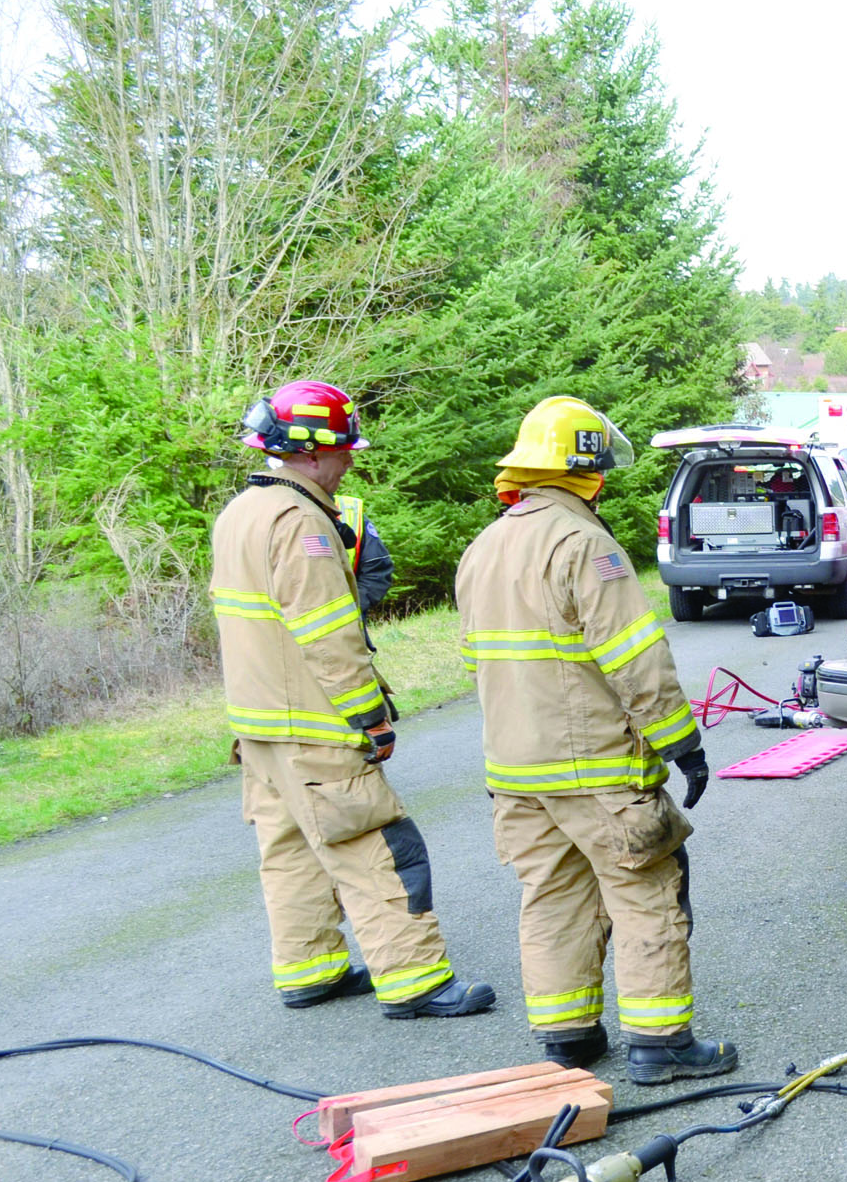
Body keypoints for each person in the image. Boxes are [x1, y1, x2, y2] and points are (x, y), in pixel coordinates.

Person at [455, 396, 732, 1084]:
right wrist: (681, 744)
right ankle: (660, 1041)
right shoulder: (584, 545)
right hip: (595, 769)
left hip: (515, 770)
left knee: (552, 896)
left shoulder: (484, 547)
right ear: (586, 474)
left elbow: (476, 664)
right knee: (645, 888)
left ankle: (568, 1037)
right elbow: (634, 658)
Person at [210, 380, 495, 1018]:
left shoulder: (241, 512)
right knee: (377, 849)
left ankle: (309, 969)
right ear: (310, 454)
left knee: (289, 851)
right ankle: (416, 981)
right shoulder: (300, 522)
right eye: (343, 449)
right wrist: (369, 716)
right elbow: (328, 636)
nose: (350, 461)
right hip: (313, 726)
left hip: (259, 727)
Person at [333, 489, 393, 615]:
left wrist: (352, 609)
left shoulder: (348, 510)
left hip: (349, 623)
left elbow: (378, 570)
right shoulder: (283, 513)